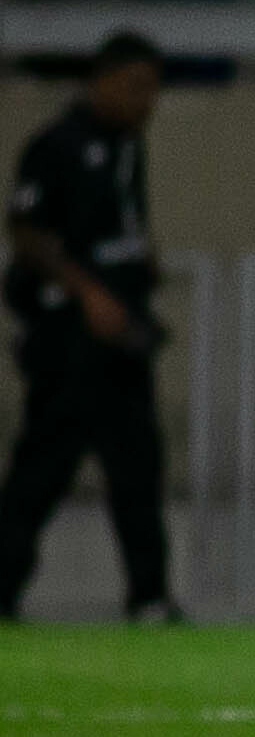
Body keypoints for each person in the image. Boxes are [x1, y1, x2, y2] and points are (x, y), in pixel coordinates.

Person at [0, 33, 174, 622]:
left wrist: (137, 263)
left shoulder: (128, 147)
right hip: (68, 337)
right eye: (136, 86)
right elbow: (27, 235)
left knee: (139, 467)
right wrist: (90, 293)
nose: (146, 101)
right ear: (100, 80)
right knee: (42, 468)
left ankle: (149, 598)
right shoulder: (56, 146)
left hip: (122, 335)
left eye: (151, 89)